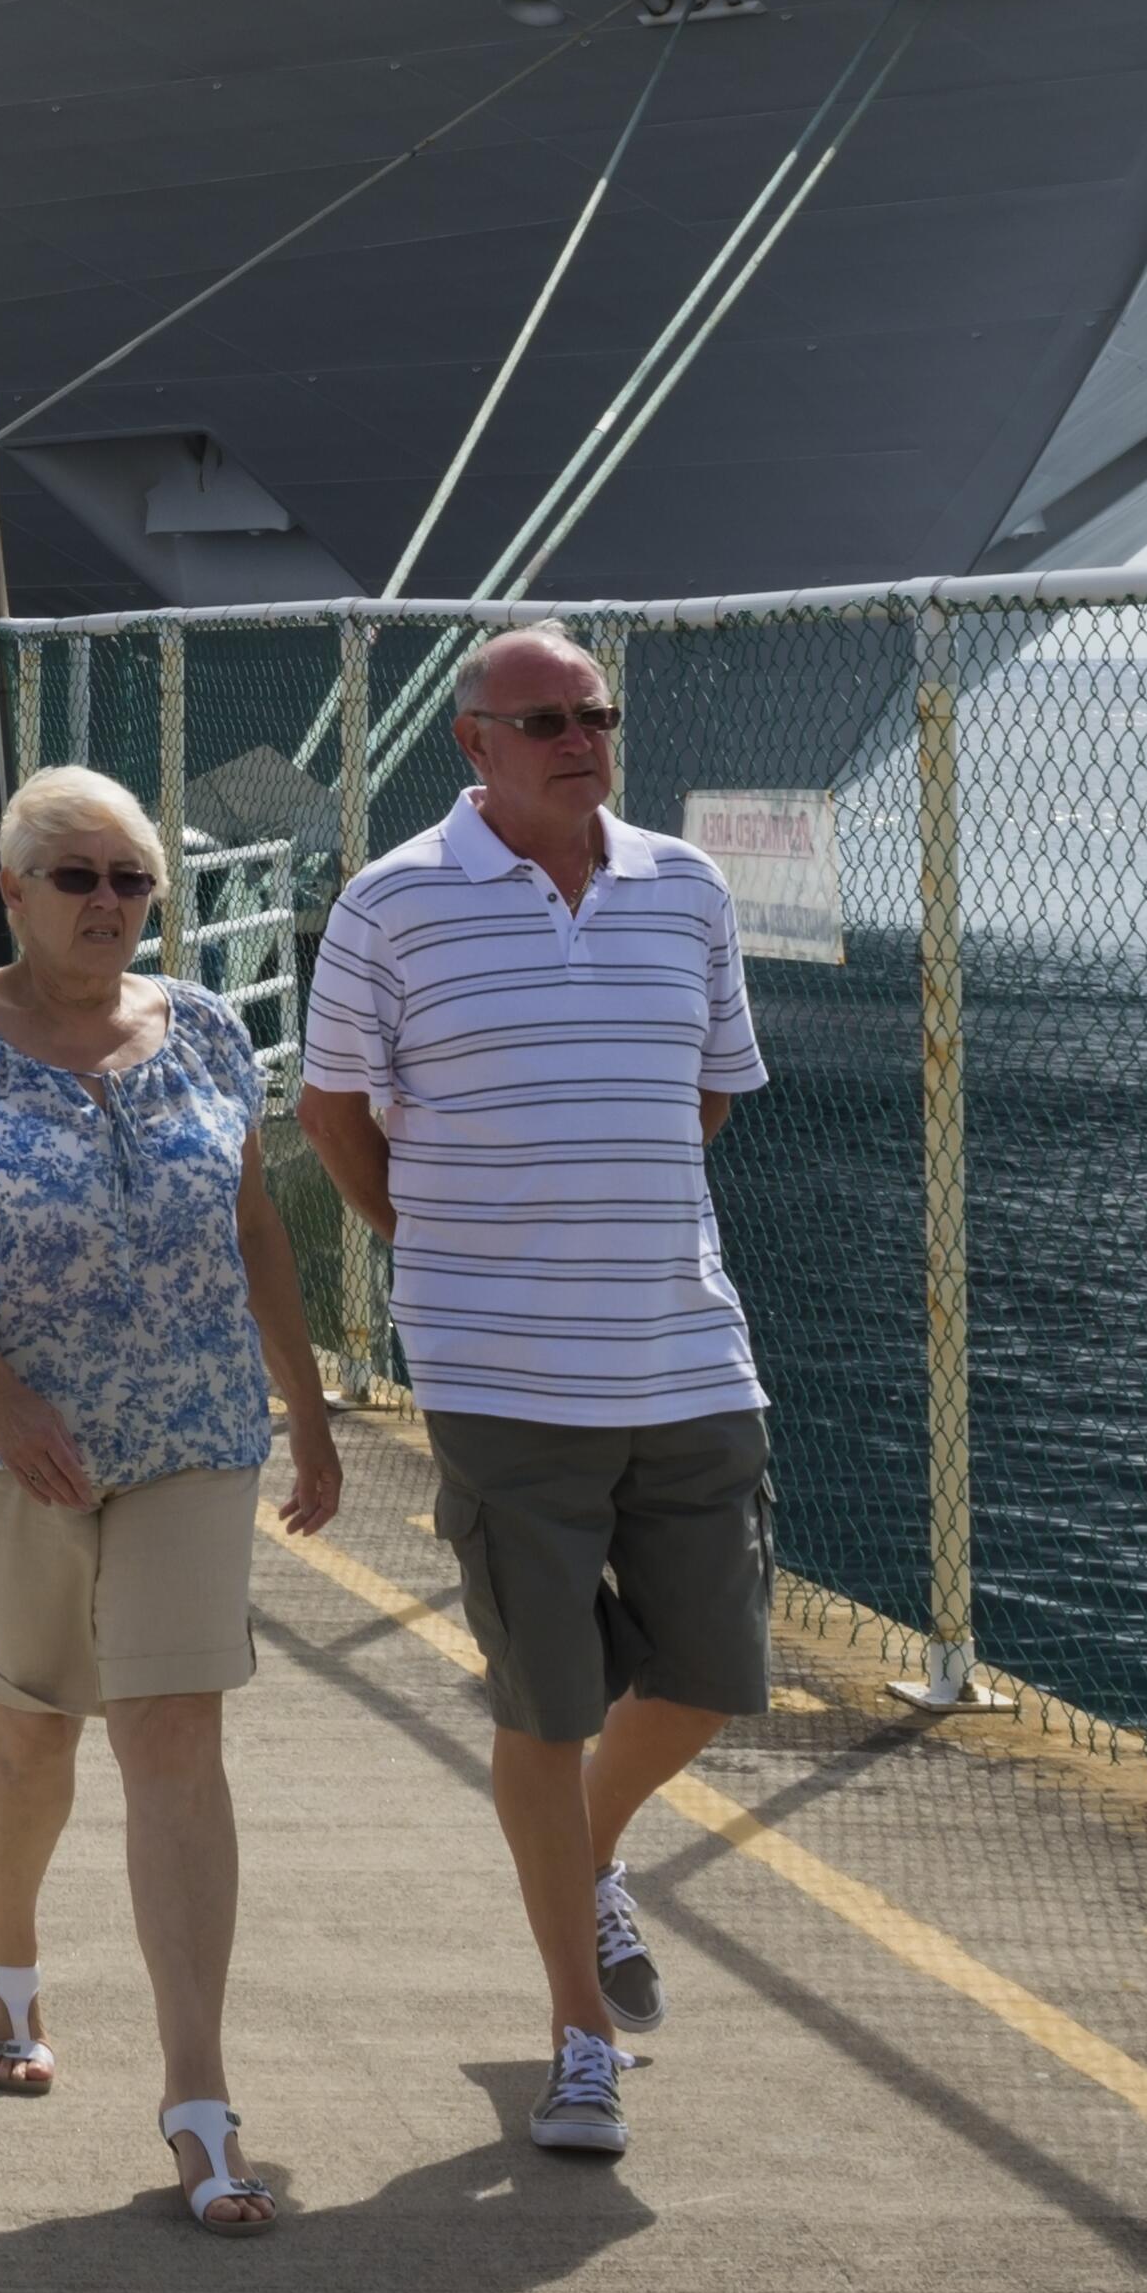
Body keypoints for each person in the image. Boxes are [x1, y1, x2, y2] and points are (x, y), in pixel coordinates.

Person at [299, 626, 773, 2169]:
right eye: (544, 717)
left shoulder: (686, 886)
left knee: (709, 1672)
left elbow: (704, 1087)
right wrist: (433, 1242)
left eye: (594, 712)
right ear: (473, 742)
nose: (579, 736)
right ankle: (578, 2035)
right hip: (500, 1370)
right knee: (541, 1700)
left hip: (685, 1348)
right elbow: (328, 1108)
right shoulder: (389, 903)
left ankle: (590, 1857)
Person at [0, 762, 343, 2230]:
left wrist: (306, 1409)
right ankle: (6, 1946)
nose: (108, 902)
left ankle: (197, 2096)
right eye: (75, 875)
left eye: (131, 878)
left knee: (173, 1731)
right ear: (12, 889)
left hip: (193, 1427)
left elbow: (252, 1220)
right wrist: (0, 1396)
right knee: (32, 1715)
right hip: (8, 1442)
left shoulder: (196, 1025)